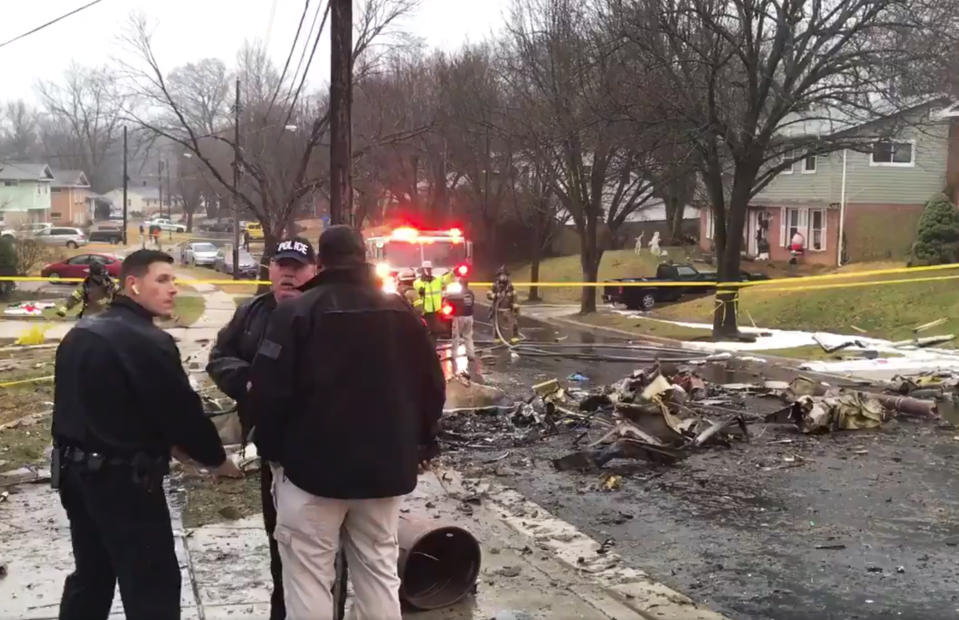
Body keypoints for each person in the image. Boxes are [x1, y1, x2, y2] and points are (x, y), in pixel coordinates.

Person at [249, 225, 444, 620]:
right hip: (383, 474)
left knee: (307, 577)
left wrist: (274, 455)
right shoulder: (401, 313)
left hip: (310, 474)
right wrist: (422, 444)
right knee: (378, 572)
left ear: (320, 262)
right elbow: (432, 386)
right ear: (365, 257)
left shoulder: (294, 312)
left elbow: (267, 393)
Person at [52, 249, 241, 620]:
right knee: (152, 586)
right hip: (124, 483)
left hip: (75, 477)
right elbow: (181, 414)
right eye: (163, 280)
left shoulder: (82, 332)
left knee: (92, 577)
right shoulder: (147, 342)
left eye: (174, 280)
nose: (173, 289)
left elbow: (115, 408)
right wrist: (217, 461)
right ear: (133, 285)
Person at [206, 237, 317, 620]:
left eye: (297, 266)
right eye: (281, 264)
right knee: (280, 542)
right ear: (269, 269)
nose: (288, 273)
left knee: (322, 552)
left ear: (314, 271)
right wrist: (249, 382)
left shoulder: (322, 311)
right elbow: (220, 357)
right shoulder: (252, 313)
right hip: (271, 448)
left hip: (321, 449)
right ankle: (282, 610)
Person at [445, 275, 475, 361]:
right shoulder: (471, 293)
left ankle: (454, 355)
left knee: (456, 336)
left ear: (460, 283)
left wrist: (447, 297)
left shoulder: (458, 293)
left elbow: (450, 301)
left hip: (459, 316)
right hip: (469, 316)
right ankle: (471, 355)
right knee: (468, 336)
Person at [488, 266, 520, 342]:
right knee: (496, 323)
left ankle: (514, 337)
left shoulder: (510, 286)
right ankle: (497, 338)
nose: (503, 277)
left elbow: (514, 295)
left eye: (504, 275)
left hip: (508, 308)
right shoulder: (495, 286)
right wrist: (495, 296)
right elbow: (489, 294)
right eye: (501, 275)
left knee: (513, 322)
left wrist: (515, 304)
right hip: (497, 309)